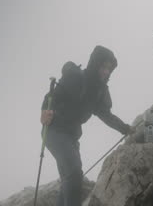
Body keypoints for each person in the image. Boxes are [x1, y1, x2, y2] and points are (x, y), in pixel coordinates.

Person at [40, 45, 134, 206]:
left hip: (72, 135)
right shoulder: (76, 77)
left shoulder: (100, 91)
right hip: (54, 131)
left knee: (68, 179)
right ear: (95, 63)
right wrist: (44, 111)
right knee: (75, 172)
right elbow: (52, 95)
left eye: (109, 69)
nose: (106, 71)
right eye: (103, 66)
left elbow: (106, 115)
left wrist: (125, 128)